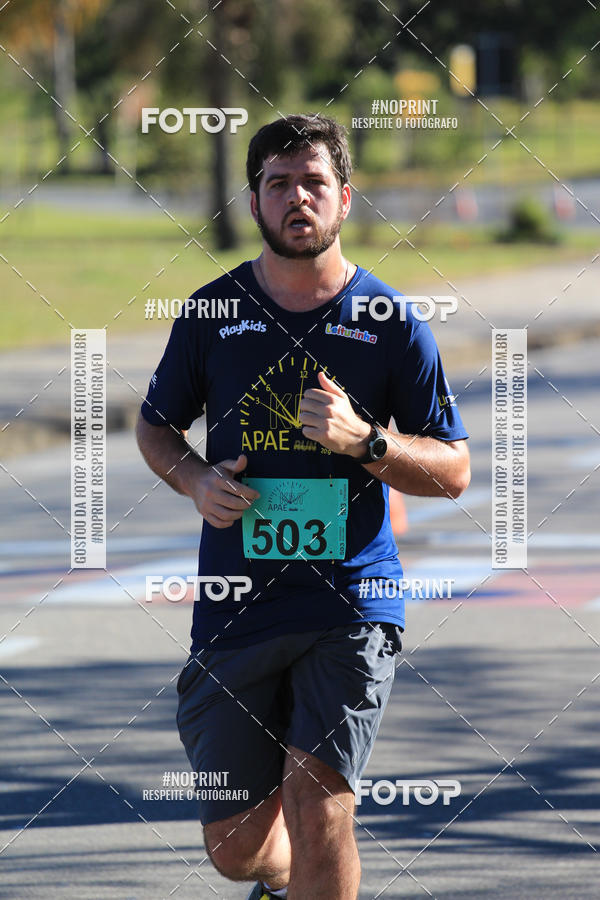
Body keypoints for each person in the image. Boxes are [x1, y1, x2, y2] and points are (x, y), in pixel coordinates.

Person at [136, 113, 470, 900]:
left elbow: (454, 469)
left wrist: (369, 445)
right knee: (236, 846)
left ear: (344, 199)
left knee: (321, 803)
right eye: (278, 184)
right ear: (253, 202)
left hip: (351, 600)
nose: (297, 198)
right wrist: (193, 481)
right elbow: (155, 427)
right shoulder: (212, 313)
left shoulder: (389, 323)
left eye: (313, 182)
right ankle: (279, 882)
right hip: (237, 605)